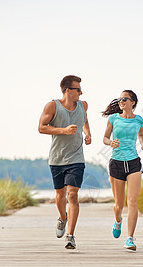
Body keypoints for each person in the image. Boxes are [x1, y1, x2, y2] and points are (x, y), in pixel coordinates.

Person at [38, 75, 91, 250]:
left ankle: (70, 236)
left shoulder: (83, 105)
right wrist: (64, 131)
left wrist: (87, 133)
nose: (81, 92)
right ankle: (62, 218)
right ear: (68, 90)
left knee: (73, 195)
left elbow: (84, 118)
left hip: (76, 158)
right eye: (78, 89)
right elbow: (41, 127)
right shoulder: (52, 106)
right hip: (57, 159)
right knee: (60, 196)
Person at [102, 90, 143, 251]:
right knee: (119, 205)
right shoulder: (113, 119)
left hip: (134, 163)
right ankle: (118, 220)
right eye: (119, 99)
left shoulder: (139, 120)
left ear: (132, 102)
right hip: (116, 163)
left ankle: (130, 239)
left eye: (124, 99)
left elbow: (141, 135)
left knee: (133, 201)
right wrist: (110, 143)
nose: (121, 101)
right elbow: (105, 138)